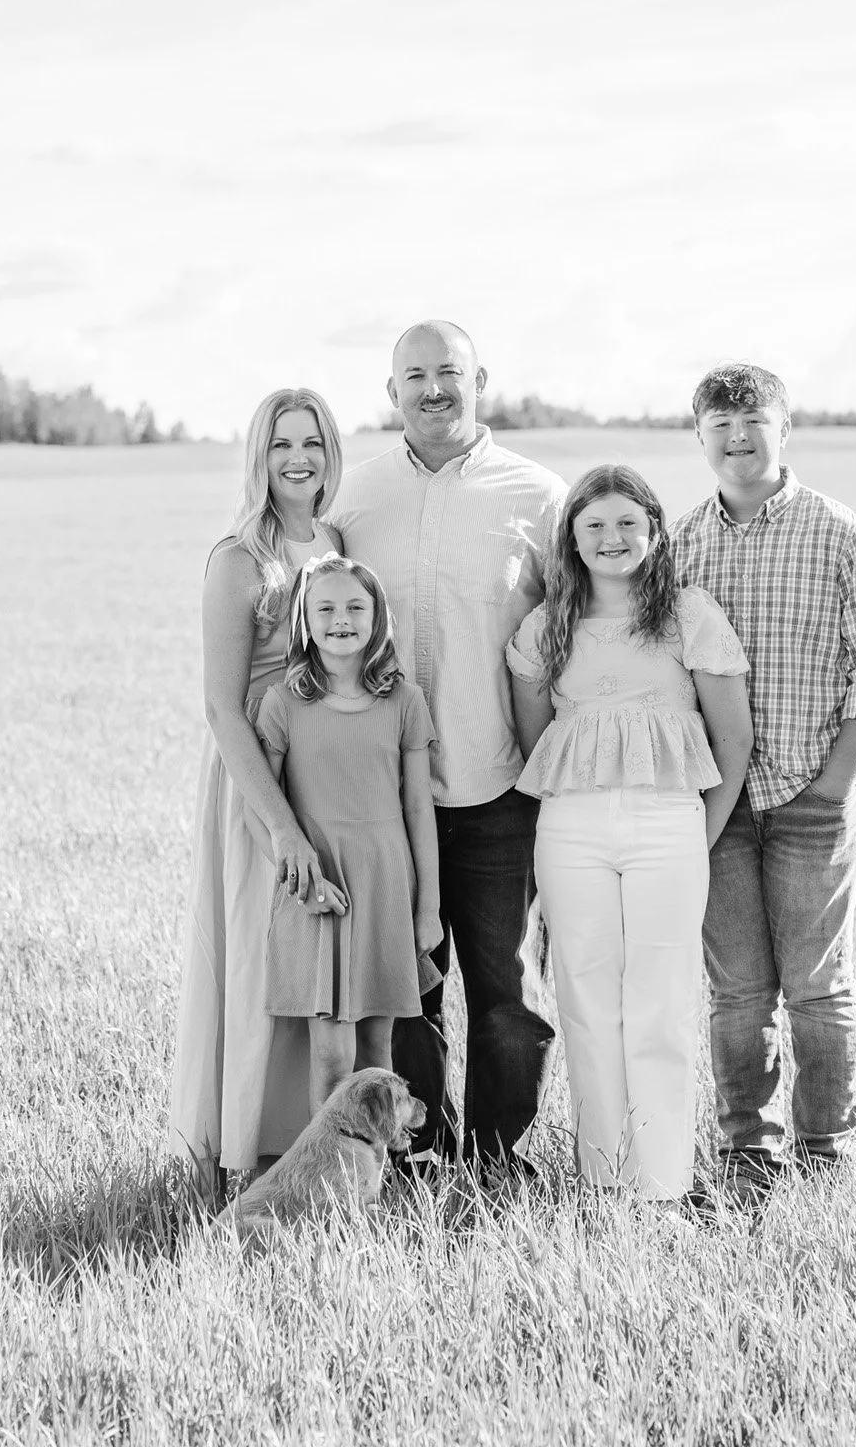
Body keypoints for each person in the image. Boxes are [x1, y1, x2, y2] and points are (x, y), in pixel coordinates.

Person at [326, 321, 568, 1173]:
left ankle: (498, 1158)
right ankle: (420, 1155)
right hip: (389, 801)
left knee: (511, 996)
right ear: (391, 390)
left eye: (449, 372)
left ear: (480, 380)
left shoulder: (540, 498)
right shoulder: (353, 500)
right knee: (406, 994)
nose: (434, 389)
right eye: (416, 374)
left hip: (501, 787)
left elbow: (577, 631)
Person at [670, 364, 856, 1185]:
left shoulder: (839, 532)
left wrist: (833, 787)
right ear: (700, 436)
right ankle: (748, 1153)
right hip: (720, 806)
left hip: (814, 796)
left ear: (784, 429)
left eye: (754, 422)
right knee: (738, 992)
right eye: (720, 425)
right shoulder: (681, 543)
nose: (738, 438)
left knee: (817, 987)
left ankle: (827, 1153)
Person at [508, 466, 754, 1203]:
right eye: (595, 525)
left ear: (653, 531)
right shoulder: (546, 626)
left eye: (627, 523)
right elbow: (536, 741)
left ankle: (661, 1186)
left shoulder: (687, 614)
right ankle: (603, 1181)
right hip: (571, 829)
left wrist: (696, 838)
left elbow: (733, 740)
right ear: (572, 538)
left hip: (669, 824)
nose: (611, 538)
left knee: (661, 1002)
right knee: (586, 1002)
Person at [170, 387, 345, 1176]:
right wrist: (278, 824)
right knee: (256, 959)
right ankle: (243, 1153)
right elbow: (221, 706)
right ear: (259, 457)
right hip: (259, 781)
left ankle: (309, 1148)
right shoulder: (239, 558)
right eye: (281, 444)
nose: (297, 459)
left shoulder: (335, 538)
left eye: (311, 442)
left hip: (328, 773)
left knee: (317, 964)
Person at [253, 554, 442, 1114]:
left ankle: (375, 1167)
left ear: (378, 616)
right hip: (321, 892)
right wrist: (301, 885)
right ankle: (329, 1164)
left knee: (378, 1052)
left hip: (385, 886)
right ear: (305, 621)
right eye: (326, 608)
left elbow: (419, 809)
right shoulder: (284, 703)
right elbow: (258, 809)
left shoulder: (404, 701)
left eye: (356, 607)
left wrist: (428, 908)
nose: (342, 619)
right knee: (333, 1057)